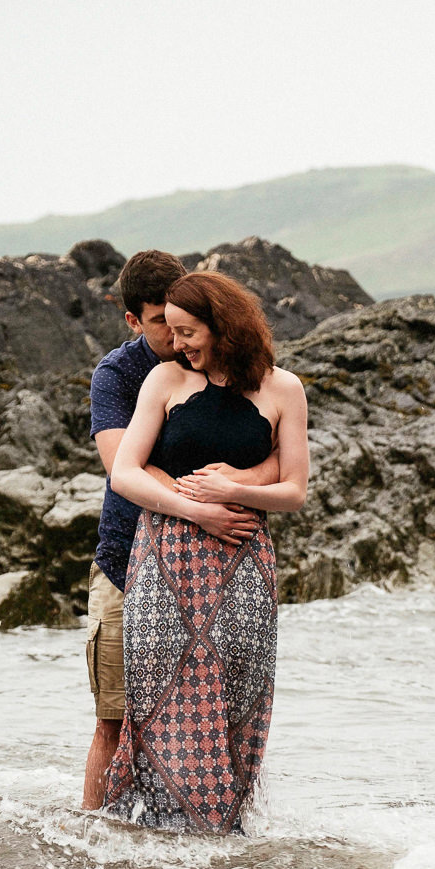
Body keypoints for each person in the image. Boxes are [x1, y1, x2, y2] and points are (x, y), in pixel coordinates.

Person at [104, 270, 310, 833]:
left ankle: (222, 844)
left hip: (244, 566)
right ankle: (148, 837)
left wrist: (236, 491)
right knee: (161, 697)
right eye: (171, 331)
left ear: (223, 325)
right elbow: (124, 472)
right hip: (165, 560)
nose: (178, 344)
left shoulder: (283, 388)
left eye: (188, 332)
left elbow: (294, 489)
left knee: (236, 701)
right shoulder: (165, 381)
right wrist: (197, 509)